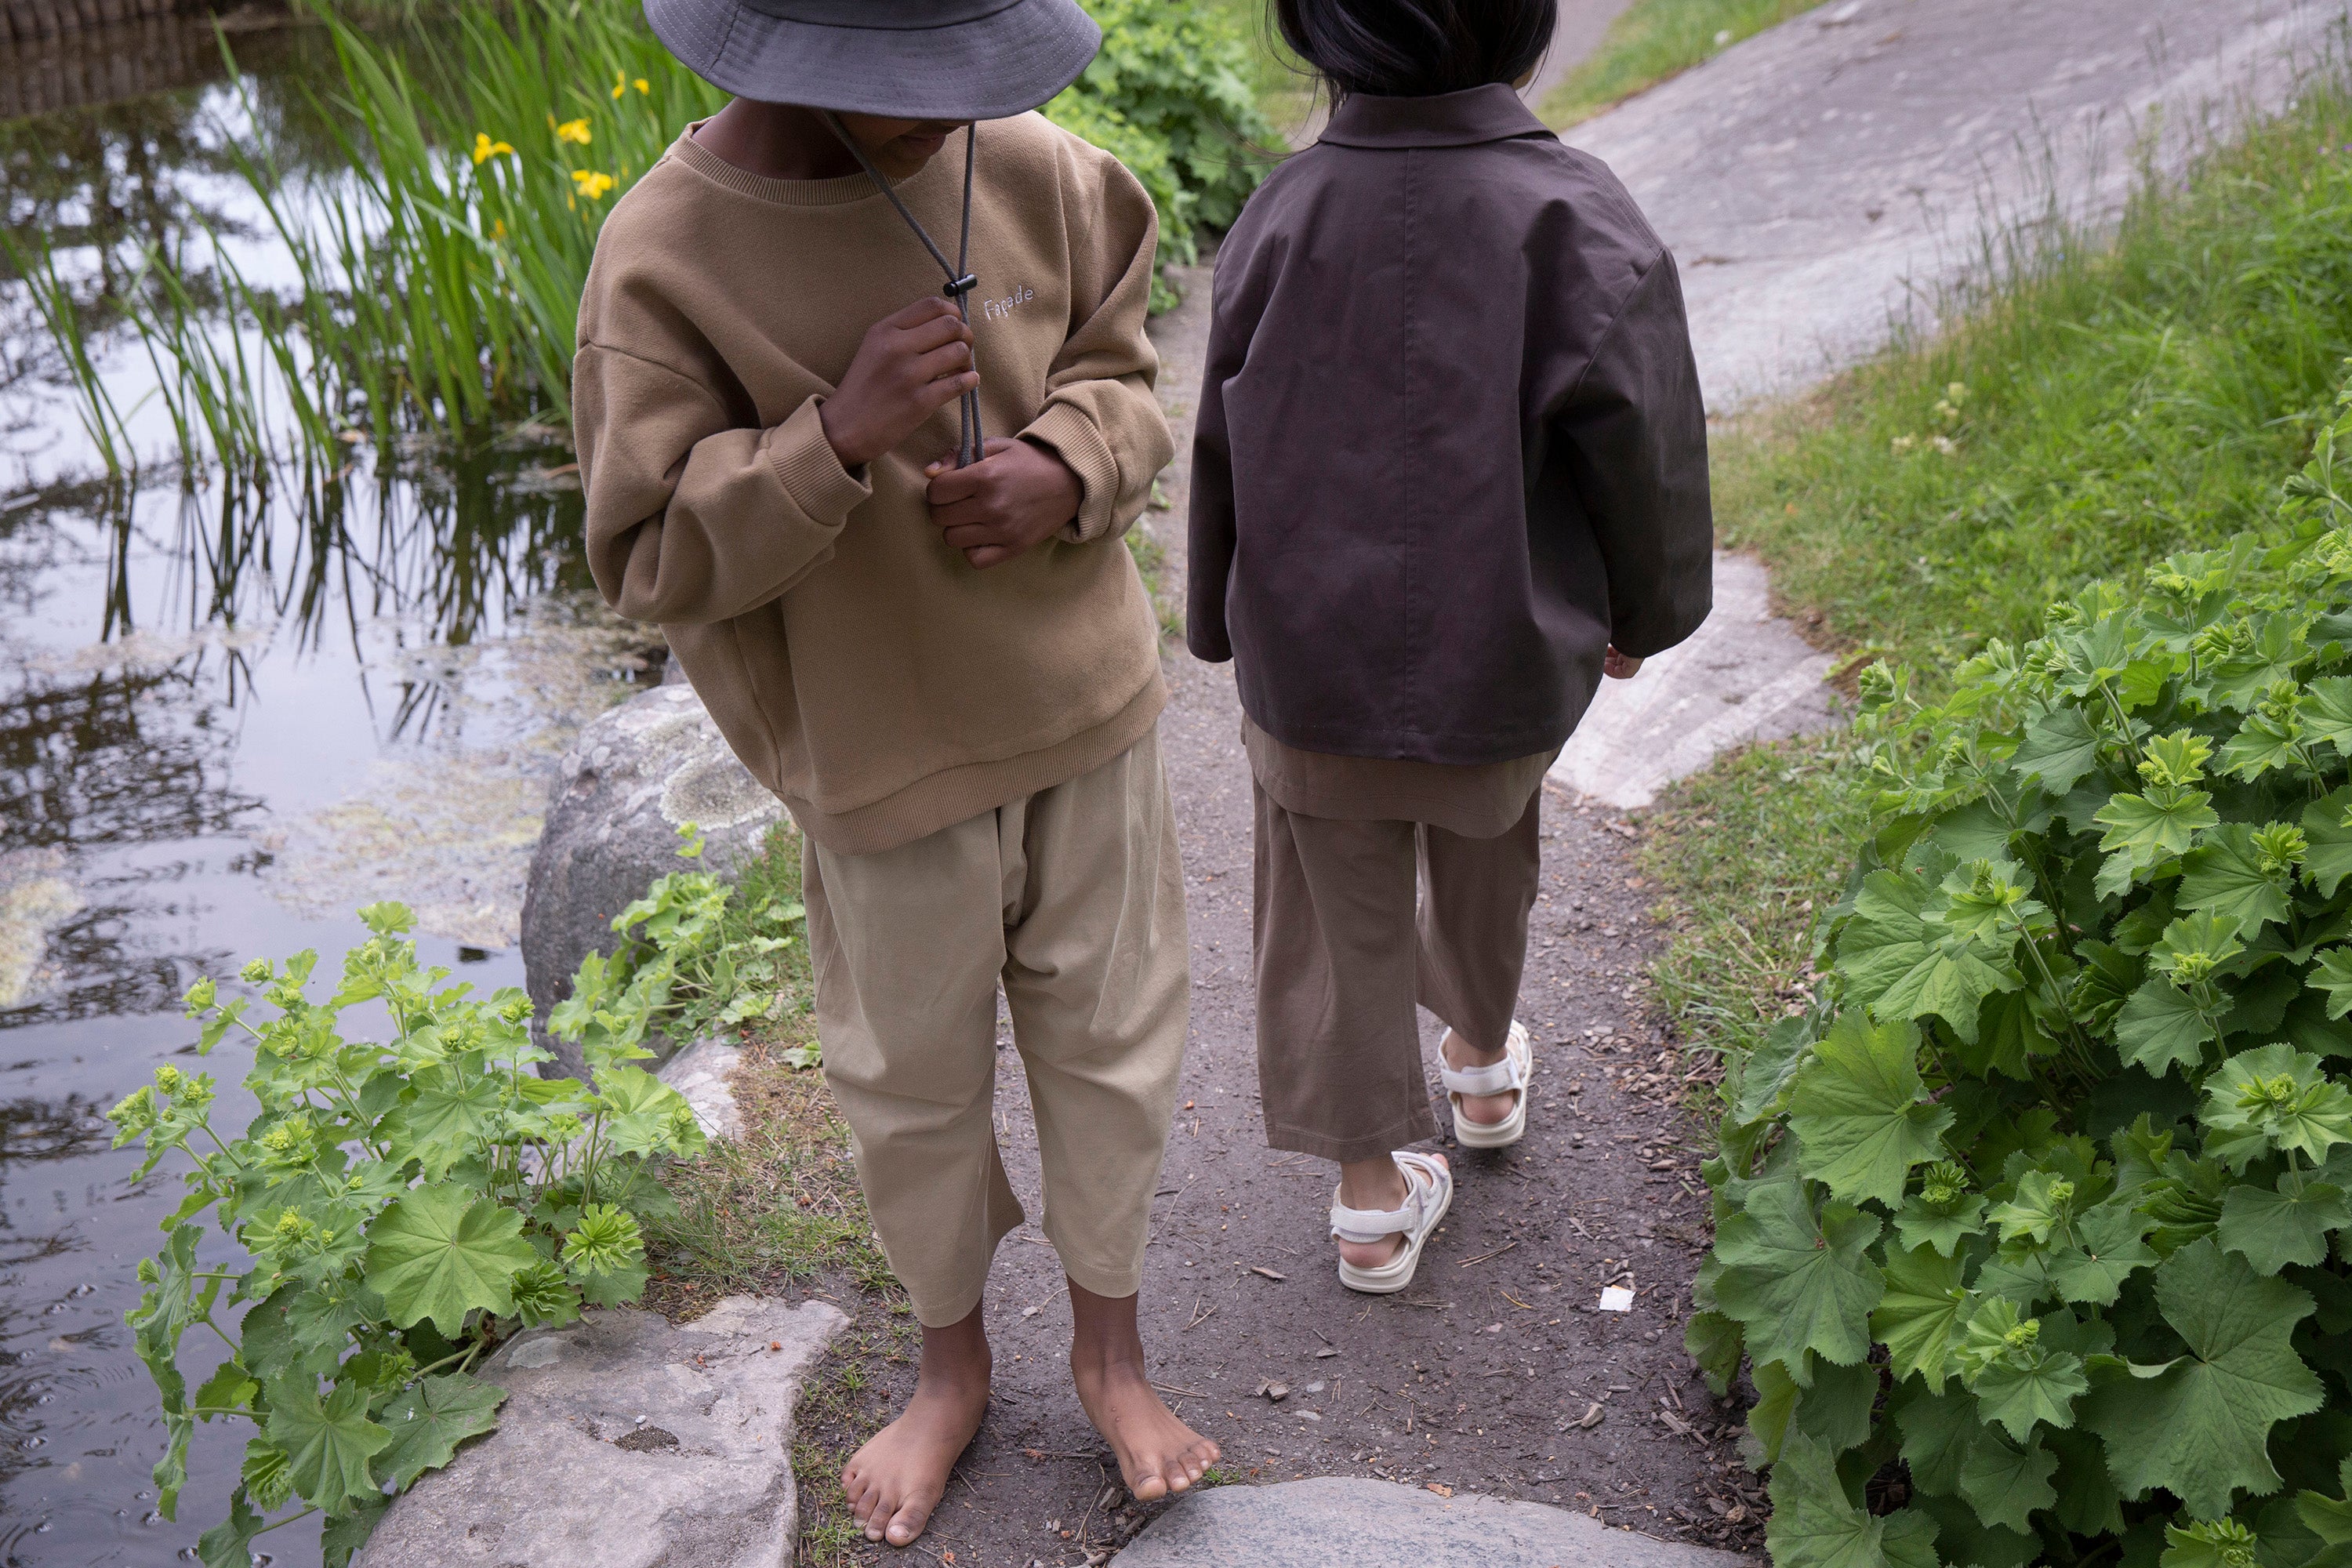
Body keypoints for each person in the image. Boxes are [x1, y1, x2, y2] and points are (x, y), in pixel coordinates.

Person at [573, 0, 1217, 1545]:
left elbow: (1128, 376)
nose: (962, 110)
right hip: (878, 760)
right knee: (908, 1085)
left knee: (1113, 1042)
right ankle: (950, 1365)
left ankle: (1112, 1349)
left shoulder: (1054, 174)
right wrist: (829, 438)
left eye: (975, 67)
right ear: (791, 59)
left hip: (1091, 716)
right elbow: (648, 555)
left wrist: (1070, 463)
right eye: (920, 83)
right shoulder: (663, 259)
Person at [1189, 0, 1714, 1294]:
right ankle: (1481, 1063)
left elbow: (1221, 434)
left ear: (1320, 36)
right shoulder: (1577, 216)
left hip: (1310, 655)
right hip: (1503, 648)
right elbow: (1643, 443)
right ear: (1526, 30)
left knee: (1330, 901)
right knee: (1492, 842)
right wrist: (1645, 612)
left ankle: (1370, 1199)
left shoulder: (1280, 212)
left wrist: (1214, 612)